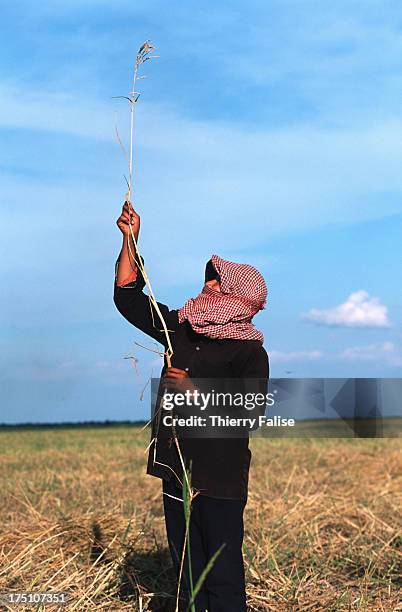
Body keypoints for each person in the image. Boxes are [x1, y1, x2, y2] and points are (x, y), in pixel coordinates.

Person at [114, 201, 269, 612]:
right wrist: (130, 239)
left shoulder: (249, 350)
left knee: (222, 580)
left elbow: (252, 411)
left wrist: (196, 390)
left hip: (220, 479)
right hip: (176, 469)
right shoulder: (179, 328)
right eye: (209, 278)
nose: (208, 285)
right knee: (187, 579)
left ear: (238, 295)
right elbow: (128, 295)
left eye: (217, 282)